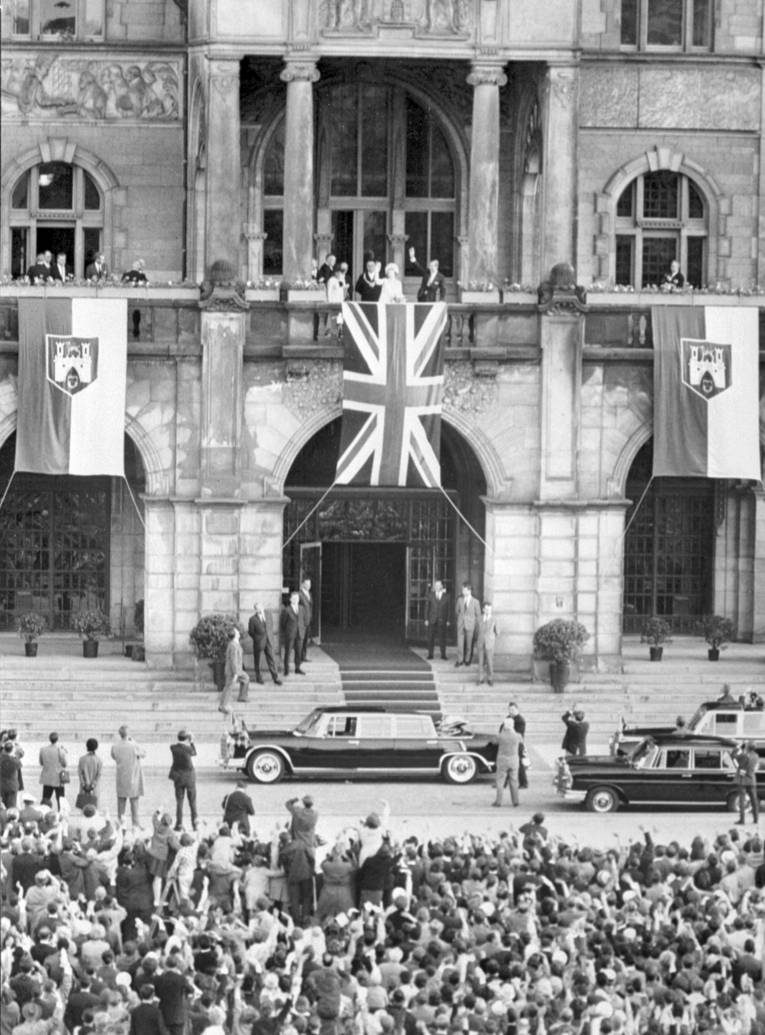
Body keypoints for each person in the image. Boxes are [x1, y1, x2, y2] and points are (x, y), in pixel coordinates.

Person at [111, 725, 146, 829]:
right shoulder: (134, 745)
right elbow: (143, 754)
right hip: (133, 776)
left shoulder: (115, 746)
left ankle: (120, 824)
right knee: (134, 802)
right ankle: (135, 824)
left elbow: (113, 756)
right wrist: (134, 741)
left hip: (121, 777)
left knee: (121, 803)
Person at [168, 730, 197, 830]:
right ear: (186, 739)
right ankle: (195, 824)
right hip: (189, 777)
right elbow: (194, 752)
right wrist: (192, 741)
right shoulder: (188, 749)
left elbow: (174, 746)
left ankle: (179, 824)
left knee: (179, 802)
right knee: (192, 802)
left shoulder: (173, 748)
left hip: (178, 777)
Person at [247, 602, 282, 685]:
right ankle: (258, 678)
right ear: (255, 610)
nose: (259, 609)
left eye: (260, 607)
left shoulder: (268, 615)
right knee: (258, 660)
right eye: (257, 608)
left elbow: (271, 626)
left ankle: (275, 677)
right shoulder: (252, 619)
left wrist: (270, 636)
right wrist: (257, 638)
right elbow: (251, 632)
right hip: (259, 642)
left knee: (271, 658)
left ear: (263, 607)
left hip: (269, 640)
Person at [220, 626, 249, 711]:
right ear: (235, 635)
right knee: (229, 687)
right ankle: (223, 705)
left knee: (246, 678)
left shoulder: (235, 644)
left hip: (237, 670)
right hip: (232, 671)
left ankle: (242, 697)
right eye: (237, 632)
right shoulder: (233, 645)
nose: (239, 633)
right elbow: (234, 660)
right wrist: (236, 673)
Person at [493, 719, 521, 807]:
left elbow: (494, 742)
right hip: (514, 760)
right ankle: (515, 801)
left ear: (504, 726)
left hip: (502, 760)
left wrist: (502, 731)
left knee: (500, 781)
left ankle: (498, 801)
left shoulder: (500, 736)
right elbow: (521, 741)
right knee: (514, 781)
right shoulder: (517, 736)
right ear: (513, 725)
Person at [39, 731, 68, 810]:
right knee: (60, 799)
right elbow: (64, 764)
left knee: (46, 799)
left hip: (47, 776)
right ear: (57, 739)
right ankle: (61, 814)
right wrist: (65, 753)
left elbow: (41, 763)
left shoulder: (43, 749)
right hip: (58, 777)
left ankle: (44, 812)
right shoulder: (60, 750)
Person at [455, 583, 481, 667]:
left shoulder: (476, 602)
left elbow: (478, 615)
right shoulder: (460, 600)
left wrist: (476, 625)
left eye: (464, 590)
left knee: (469, 644)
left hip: (470, 625)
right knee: (460, 643)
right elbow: (457, 611)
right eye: (462, 590)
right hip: (461, 624)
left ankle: (467, 659)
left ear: (469, 591)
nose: (462, 591)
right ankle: (460, 660)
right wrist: (460, 619)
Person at [734, 740, 760, 825]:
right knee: (754, 800)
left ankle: (742, 820)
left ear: (747, 747)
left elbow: (734, 756)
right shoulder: (756, 756)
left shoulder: (744, 755)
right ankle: (756, 819)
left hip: (743, 780)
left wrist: (738, 747)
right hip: (752, 779)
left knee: (742, 800)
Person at [279, 591, 305, 676]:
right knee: (288, 652)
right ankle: (286, 670)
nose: (296, 600)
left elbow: (303, 620)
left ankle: (297, 668)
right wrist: (287, 631)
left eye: (297, 598)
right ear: (290, 599)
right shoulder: (287, 610)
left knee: (299, 651)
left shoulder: (301, 608)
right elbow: (283, 623)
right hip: (290, 634)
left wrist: (302, 630)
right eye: (294, 598)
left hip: (300, 633)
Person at [425, 579, 449, 660]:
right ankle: (430, 654)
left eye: (439, 585)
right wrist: (426, 619)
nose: (437, 586)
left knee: (442, 638)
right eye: (436, 585)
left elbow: (449, 609)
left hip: (442, 619)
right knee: (430, 637)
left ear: (442, 586)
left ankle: (443, 654)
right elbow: (427, 607)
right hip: (432, 619)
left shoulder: (446, 596)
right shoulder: (430, 595)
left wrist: (448, 620)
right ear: (434, 586)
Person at [476, 602, 498, 685]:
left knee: (489, 661)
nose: (488, 611)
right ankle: (480, 678)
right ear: (483, 609)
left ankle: (490, 678)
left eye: (489, 609)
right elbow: (476, 630)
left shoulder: (494, 619)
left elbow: (497, 631)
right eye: (486, 609)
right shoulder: (479, 618)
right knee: (480, 661)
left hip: (489, 643)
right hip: (480, 642)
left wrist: (491, 637)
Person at [76, 738, 103, 810]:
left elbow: (80, 774)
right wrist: (93, 785)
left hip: (84, 788)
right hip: (94, 788)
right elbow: (98, 775)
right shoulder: (99, 760)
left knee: (83, 808)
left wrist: (83, 784)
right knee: (94, 809)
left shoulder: (82, 759)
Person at [0, 739, 23, 808]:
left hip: (2, 785)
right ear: (12, 750)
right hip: (12, 786)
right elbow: (20, 764)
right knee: (11, 807)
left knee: (2, 806)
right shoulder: (15, 761)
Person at [298, 578, 313, 663]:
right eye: (307, 584)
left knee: (305, 640)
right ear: (303, 584)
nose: (308, 586)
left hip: (308, 621)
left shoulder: (309, 594)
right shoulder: (299, 594)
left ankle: (303, 656)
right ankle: (299, 657)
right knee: (300, 639)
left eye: (309, 584)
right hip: (302, 621)